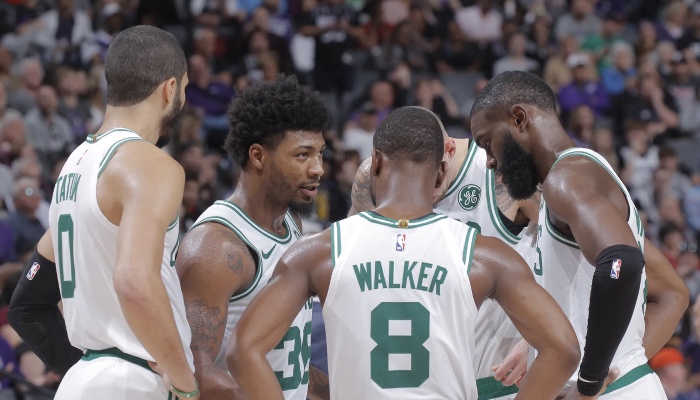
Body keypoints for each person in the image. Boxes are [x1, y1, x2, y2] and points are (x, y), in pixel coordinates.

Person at [226, 106, 582, 400]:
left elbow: (243, 352)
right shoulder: (487, 257)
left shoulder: (316, 253)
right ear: (442, 171)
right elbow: (563, 348)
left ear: (376, 162)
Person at [470, 70, 689, 399]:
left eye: (488, 142)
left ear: (518, 118)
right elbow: (668, 290)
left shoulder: (568, 179)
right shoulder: (572, 182)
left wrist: (589, 381)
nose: (489, 161)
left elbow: (621, 263)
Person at [8, 25, 199, 399]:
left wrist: (85, 371)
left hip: (88, 380)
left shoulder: (75, 167)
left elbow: (27, 304)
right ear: (170, 89)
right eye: (186, 88)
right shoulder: (149, 164)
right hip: (132, 381)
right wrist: (186, 385)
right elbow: (134, 282)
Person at [348, 106, 541, 400]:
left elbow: (574, 252)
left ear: (448, 150)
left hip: (499, 376)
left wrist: (538, 339)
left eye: (430, 175)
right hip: (417, 375)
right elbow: (350, 266)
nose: (419, 188)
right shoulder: (375, 176)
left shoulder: (501, 173)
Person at [174, 75, 329, 400]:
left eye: (320, 154)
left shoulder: (290, 225)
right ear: (258, 156)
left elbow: (289, 364)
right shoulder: (216, 249)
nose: (318, 169)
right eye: (303, 155)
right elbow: (192, 371)